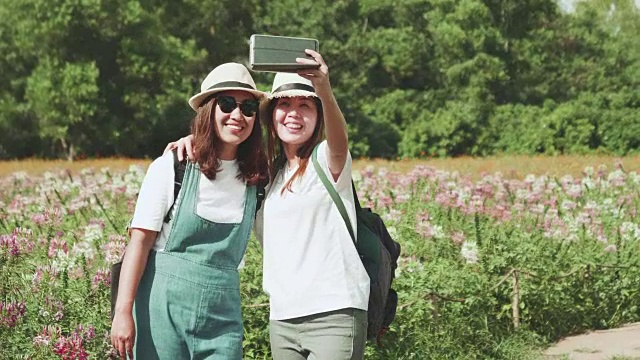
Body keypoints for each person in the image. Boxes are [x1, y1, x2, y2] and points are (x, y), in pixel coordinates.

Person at [167, 49, 369, 360]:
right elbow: (223, 151)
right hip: (283, 318)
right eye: (284, 105)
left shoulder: (327, 161)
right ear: (270, 116)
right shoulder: (267, 175)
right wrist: (193, 140)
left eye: (305, 106)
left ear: (319, 117)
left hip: (334, 312)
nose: (293, 113)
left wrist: (324, 89)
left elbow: (340, 138)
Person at [110, 62, 267, 360]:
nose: (237, 115)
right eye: (227, 103)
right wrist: (122, 312)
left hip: (223, 318)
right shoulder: (173, 166)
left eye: (248, 107)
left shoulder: (258, 180)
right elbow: (139, 243)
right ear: (208, 109)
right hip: (160, 312)